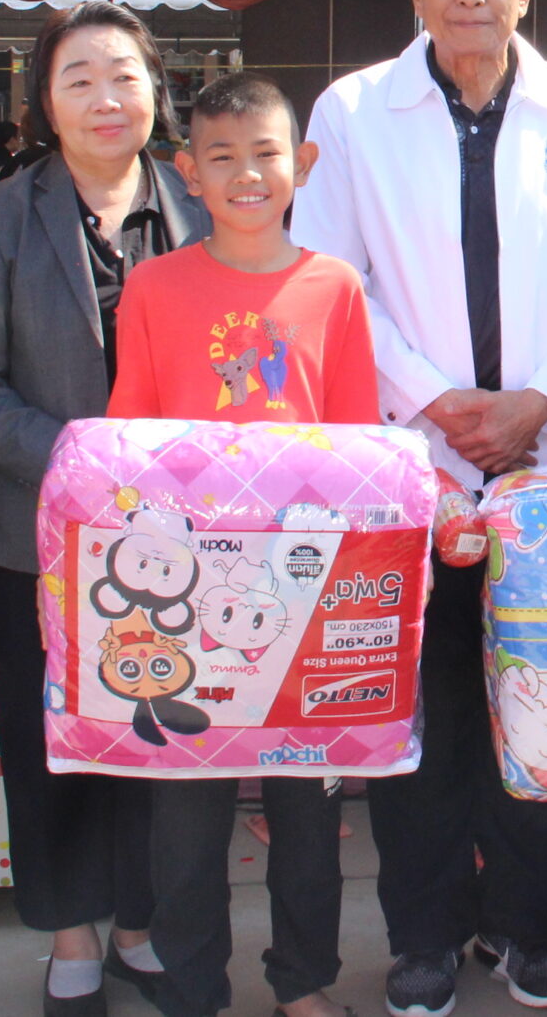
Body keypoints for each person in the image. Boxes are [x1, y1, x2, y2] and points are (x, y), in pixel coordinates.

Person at [291, 0, 547, 1017]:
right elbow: (328, 277)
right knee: (429, 714)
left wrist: (539, 400)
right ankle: (425, 937)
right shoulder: (355, 111)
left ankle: (524, 931)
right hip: (417, 464)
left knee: (542, 705)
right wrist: (438, 400)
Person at [100, 70, 379, 1017]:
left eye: (266, 154)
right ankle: (192, 989)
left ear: (303, 163)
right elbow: (128, 440)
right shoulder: (152, 285)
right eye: (221, 157)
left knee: (308, 812)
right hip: (181, 592)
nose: (247, 175)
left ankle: (303, 983)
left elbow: (356, 445)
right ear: (188, 172)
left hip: (305, 587)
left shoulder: (335, 287)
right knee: (185, 818)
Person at [0, 0, 207, 1017]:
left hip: (181, 537)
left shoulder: (199, 205)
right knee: (50, 739)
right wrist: (76, 462)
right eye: (79, 79)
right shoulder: (1, 216)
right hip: (43, 533)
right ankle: (70, 937)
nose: (106, 98)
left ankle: (140, 926)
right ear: (45, 103)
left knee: (158, 736)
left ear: (156, 91)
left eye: (125, 75)